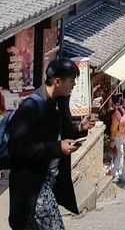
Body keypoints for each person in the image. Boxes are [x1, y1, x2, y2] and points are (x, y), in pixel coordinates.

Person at [9, 58, 96, 229]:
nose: (74, 85)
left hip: (50, 179)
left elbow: (63, 132)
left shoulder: (60, 101)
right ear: (57, 82)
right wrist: (57, 148)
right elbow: (18, 148)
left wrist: (80, 127)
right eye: (71, 81)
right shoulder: (31, 107)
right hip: (33, 184)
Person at [109, 98, 125, 181]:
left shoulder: (121, 113)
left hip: (121, 136)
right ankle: (119, 172)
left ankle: (115, 171)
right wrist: (112, 140)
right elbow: (113, 128)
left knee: (120, 154)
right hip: (118, 136)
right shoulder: (117, 114)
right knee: (122, 153)